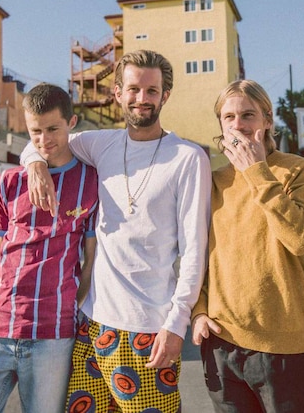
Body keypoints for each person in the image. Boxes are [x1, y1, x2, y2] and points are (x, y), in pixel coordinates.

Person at [22, 49, 211, 412]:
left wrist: (176, 324)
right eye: (134, 89)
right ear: (118, 93)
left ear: (165, 96)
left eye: (152, 91)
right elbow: (44, 141)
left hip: (149, 329)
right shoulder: (100, 143)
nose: (142, 99)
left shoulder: (188, 158)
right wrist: (34, 165)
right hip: (91, 324)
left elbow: (194, 251)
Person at [0, 84, 99, 413]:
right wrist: (33, 162)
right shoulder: (8, 182)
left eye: (53, 129)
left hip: (53, 333)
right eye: (35, 131)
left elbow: (89, 265)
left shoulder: (90, 182)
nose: (44, 140)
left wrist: (67, 307)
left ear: (72, 122)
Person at [191, 80, 304, 412]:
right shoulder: (214, 179)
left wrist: (257, 172)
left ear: (267, 119)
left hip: (283, 347)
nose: (237, 124)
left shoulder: (296, 170)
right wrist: (199, 311)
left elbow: (301, 239)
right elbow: (199, 254)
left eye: (247, 114)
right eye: (228, 116)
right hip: (222, 343)